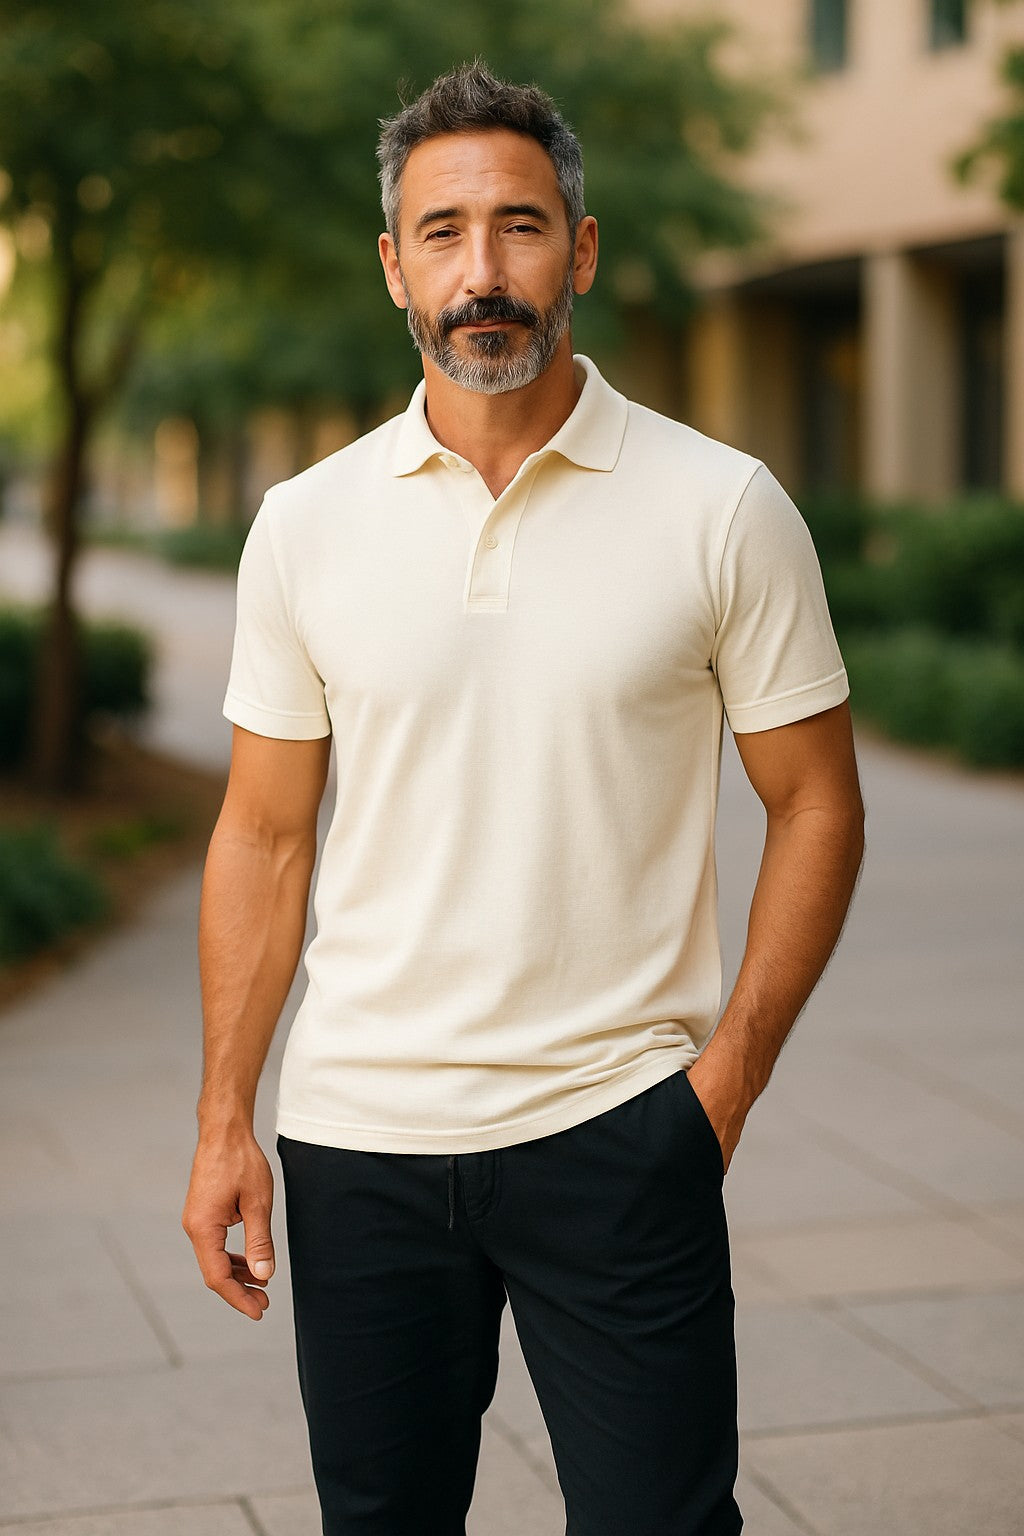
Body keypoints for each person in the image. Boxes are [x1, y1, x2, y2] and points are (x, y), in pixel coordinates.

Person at [183, 60, 864, 1536]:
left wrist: (724, 1084)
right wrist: (226, 1116)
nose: (482, 272)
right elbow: (264, 830)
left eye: (520, 226)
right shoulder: (304, 528)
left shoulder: (721, 505)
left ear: (584, 249)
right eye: (443, 232)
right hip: (359, 1135)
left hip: (619, 1126)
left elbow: (816, 801)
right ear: (393, 267)